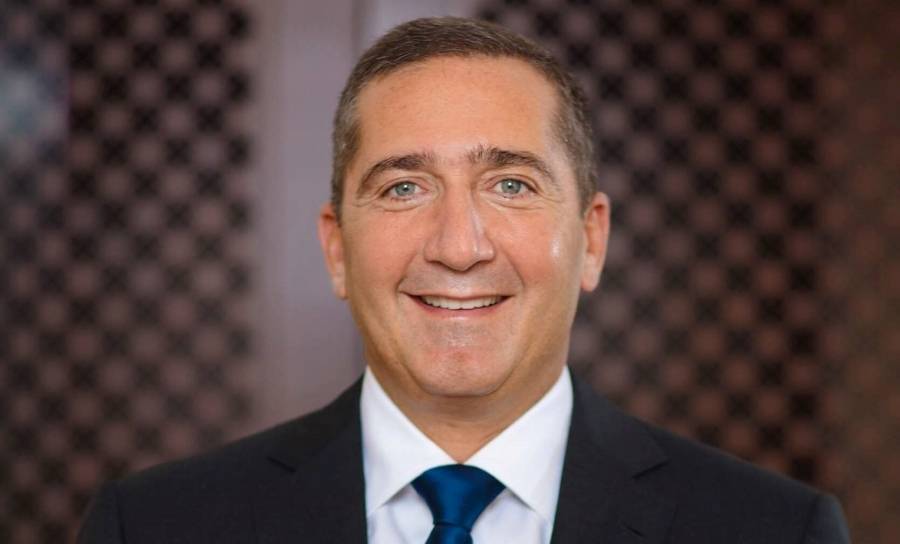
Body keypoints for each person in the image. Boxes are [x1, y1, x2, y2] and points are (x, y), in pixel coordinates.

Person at [78, 17, 850, 543]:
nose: (458, 247)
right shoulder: (152, 527)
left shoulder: (775, 530)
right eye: (403, 187)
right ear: (337, 249)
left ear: (591, 239)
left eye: (510, 184)